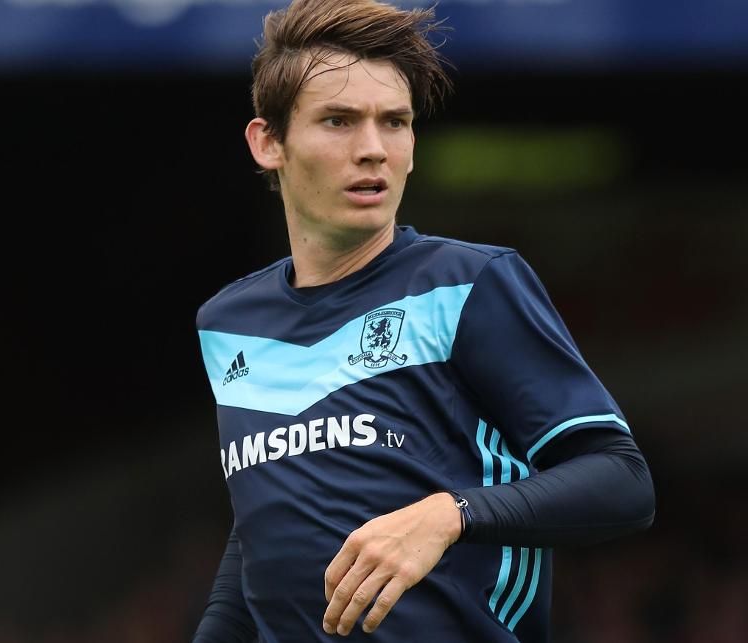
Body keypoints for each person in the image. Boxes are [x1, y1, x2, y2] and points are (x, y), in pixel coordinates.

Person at [193, 1, 655, 641]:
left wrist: (448, 515)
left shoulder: (469, 284)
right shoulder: (229, 324)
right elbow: (259, 533)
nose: (372, 150)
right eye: (339, 121)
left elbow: (622, 480)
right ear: (268, 142)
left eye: (395, 122)